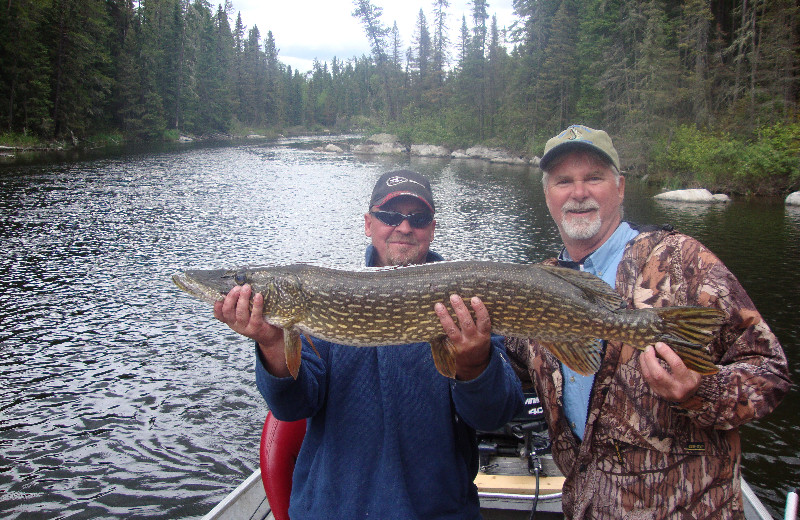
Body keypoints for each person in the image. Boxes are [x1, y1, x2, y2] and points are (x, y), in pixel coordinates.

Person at [505, 125, 792, 519]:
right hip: (587, 506)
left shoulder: (683, 261)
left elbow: (771, 372)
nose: (578, 193)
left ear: (620, 187)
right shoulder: (536, 285)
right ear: (547, 194)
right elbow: (510, 377)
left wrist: (699, 390)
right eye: (563, 181)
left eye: (594, 178)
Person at [214, 169, 524, 519]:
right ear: (368, 223)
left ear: (432, 229)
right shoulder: (324, 295)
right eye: (390, 216)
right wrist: (272, 343)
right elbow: (294, 406)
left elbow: (495, 415)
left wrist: (474, 365)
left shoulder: (465, 299)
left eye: (417, 219)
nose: (404, 228)